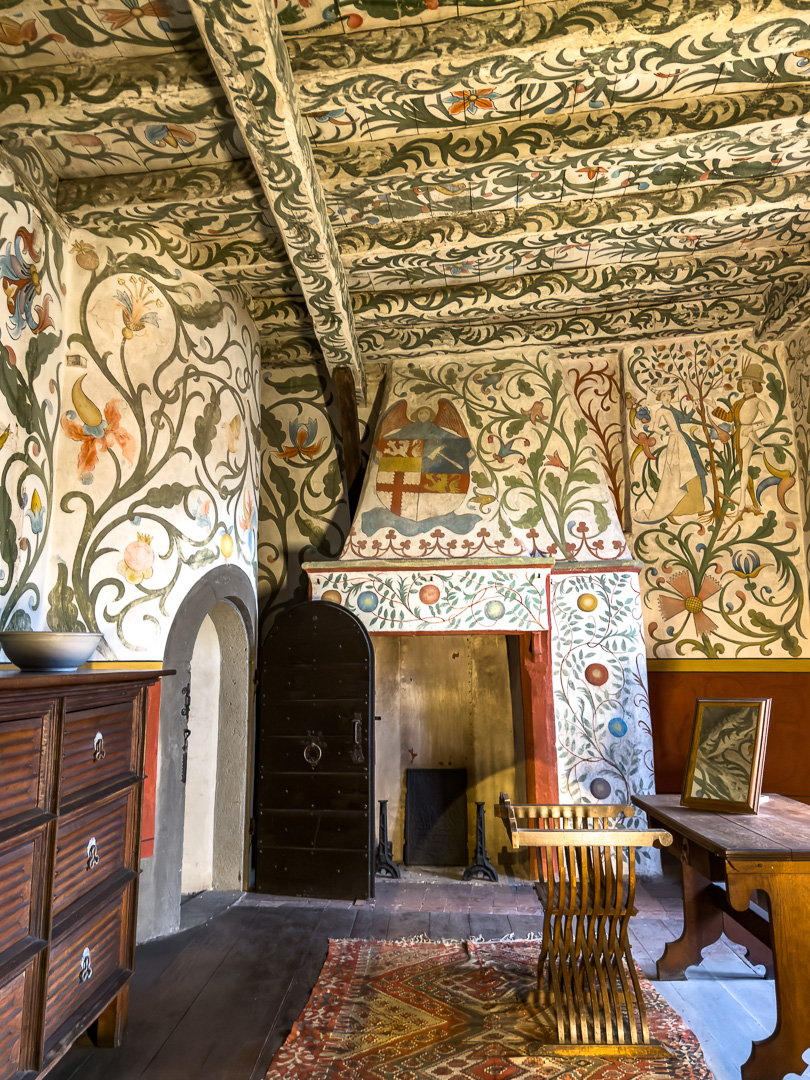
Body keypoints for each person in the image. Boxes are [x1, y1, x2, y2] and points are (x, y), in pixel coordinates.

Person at [635, 385, 707, 523]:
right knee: (682, 472)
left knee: (694, 470)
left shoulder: (673, 409)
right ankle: (675, 510)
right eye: (664, 395)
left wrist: (694, 408)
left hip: (684, 439)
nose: (667, 397)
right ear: (659, 398)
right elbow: (655, 427)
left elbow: (684, 420)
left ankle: (699, 507)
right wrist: (667, 433)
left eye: (668, 394)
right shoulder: (661, 411)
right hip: (675, 441)